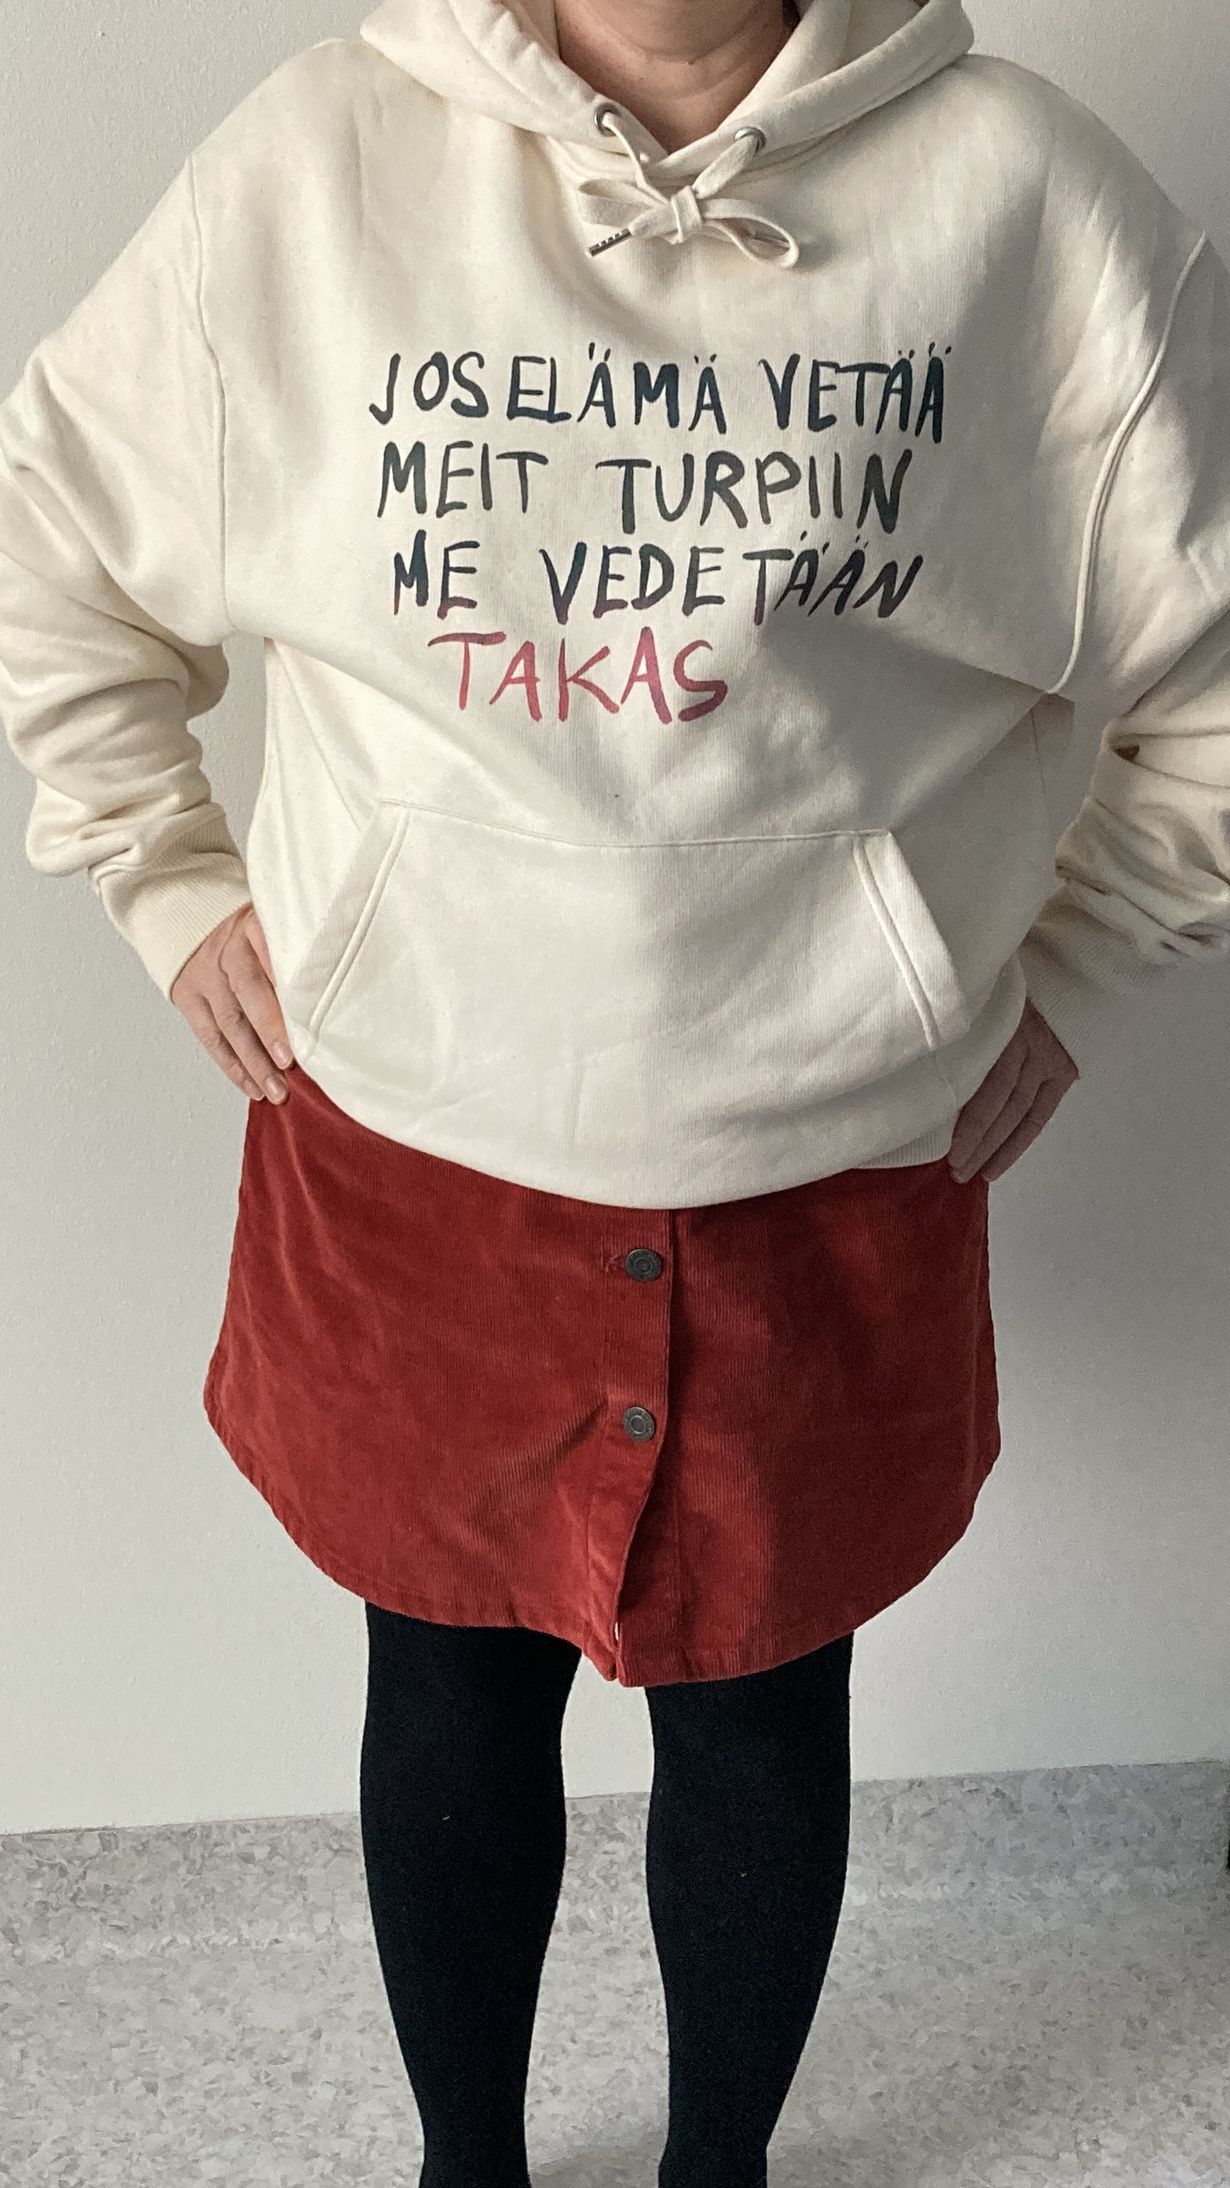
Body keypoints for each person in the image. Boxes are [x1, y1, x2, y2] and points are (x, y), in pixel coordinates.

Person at [2, 1, 1229, 2182]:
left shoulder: (1035, 204)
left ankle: (715, 2172)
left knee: (763, 1698)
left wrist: (1088, 964)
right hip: (412, 1142)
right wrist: (166, 877)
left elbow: (1212, 668)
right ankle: (464, 2166)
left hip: (831, 1157)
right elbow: (58, 540)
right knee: (443, 1684)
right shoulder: (314, 161)